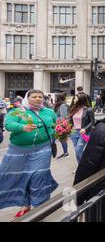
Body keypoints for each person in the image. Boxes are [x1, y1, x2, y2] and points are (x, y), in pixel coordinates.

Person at [0, 89, 58, 219]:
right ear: (27, 98)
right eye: (34, 97)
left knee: (39, 176)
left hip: (43, 149)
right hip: (18, 151)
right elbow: (8, 124)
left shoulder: (49, 111)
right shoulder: (19, 111)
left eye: (40, 97)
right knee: (21, 177)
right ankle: (26, 204)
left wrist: (60, 132)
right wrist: (22, 127)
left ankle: (39, 207)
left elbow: (55, 125)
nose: (38, 99)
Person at [68, 93, 95, 163]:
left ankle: (82, 168)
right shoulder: (73, 109)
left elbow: (92, 122)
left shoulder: (89, 110)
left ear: (80, 100)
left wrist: (85, 129)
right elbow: (70, 121)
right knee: (77, 151)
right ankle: (80, 166)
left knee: (78, 150)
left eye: (75, 98)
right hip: (73, 133)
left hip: (83, 133)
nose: (74, 100)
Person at [54, 93, 70, 159]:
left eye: (56, 97)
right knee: (61, 139)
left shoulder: (63, 105)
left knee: (62, 139)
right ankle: (65, 152)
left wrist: (56, 121)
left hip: (61, 125)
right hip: (59, 124)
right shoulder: (60, 105)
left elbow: (63, 116)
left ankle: (66, 153)